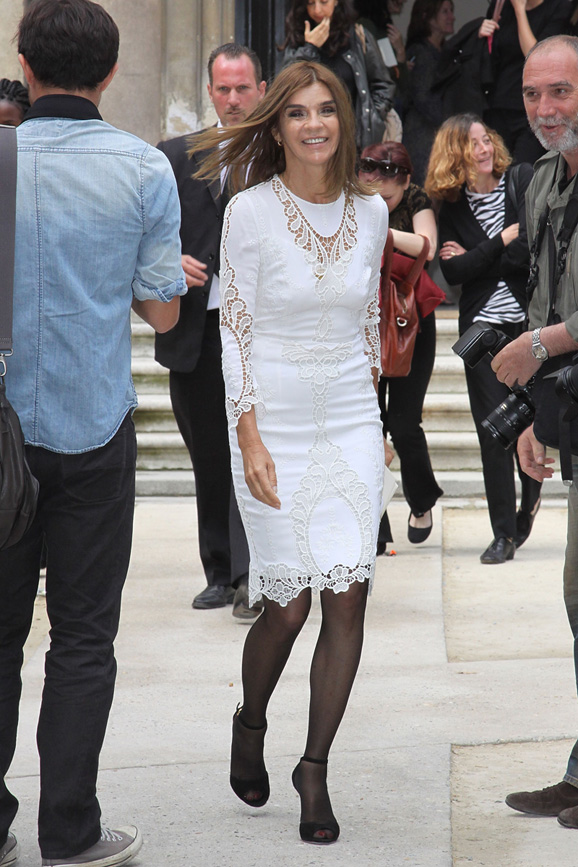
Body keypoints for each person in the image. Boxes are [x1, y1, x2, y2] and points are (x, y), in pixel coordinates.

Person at [0, 1, 186, 865]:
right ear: (109, 74)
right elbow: (161, 309)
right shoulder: (144, 169)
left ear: (25, 67)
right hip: (93, 428)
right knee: (82, 638)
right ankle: (68, 830)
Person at [194, 59, 388, 844]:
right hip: (270, 419)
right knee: (289, 603)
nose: (314, 124)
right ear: (275, 128)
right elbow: (233, 328)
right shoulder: (249, 211)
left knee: (347, 595)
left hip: (348, 417)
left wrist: (376, 424)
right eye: (298, 113)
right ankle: (251, 719)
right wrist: (248, 434)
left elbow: (369, 320)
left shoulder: (371, 213)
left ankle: (314, 768)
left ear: (343, 121)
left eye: (326, 110)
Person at [491, 34, 578, 829]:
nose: (546, 110)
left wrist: (543, 346)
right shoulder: (542, 182)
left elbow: (549, 331)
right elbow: (544, 301)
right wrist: (535, 420)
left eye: (562, 92)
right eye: (533, 95)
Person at [155, 43, 266, 617]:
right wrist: (167, 260)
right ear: (209, 92)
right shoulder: (174, 156)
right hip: (196, 327)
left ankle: (254, 573)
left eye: (242, 88)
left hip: (263, 329)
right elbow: (144, 231)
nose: (231, 99)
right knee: (208, 455)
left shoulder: (283, 154)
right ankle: (219, 572)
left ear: (262, 90)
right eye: (222, 89)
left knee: (256, 449)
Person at [427, 113, 542, 564]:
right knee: (493, 431)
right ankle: (503, 534)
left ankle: (528, 497)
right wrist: (500, 241)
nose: (484, 147)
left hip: (527, 325)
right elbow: (453, 273)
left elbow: (529, 248)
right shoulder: (452, 207)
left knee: (527, 422)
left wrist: (482, 254)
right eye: (472, 143)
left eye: (485, 139)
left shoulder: (520, 181)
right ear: (456, 154)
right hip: (481, 331)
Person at [358, 141, 442, 550]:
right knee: (366, 428)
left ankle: (422, 500)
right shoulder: (349, 200)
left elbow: (426, 245)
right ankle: (375, 526)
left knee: (405, 425)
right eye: (372, 183)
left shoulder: (416, 200)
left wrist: (383, 230)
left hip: (411, 325)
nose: (381, 194)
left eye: (391, 188)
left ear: (406, 181)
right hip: (362, 327)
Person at [281, 0, 395, 150]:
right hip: (313, 136)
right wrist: (310, 48)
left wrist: (371, 118)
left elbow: (383, 84)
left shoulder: (356, 36)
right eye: (310, 3)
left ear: (336, 2)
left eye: (323, 2)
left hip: (352, 142)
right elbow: (286, 87)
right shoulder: (299, 38)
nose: (317, 10)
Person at [479, 0, 571, 166]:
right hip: (498, 105)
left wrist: (520, 11)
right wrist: (480, 34)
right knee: (495, 171)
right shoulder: (501, 6)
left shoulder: (559, 6)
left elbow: (539, 58)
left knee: (523, 170)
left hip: (532, 109)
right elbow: (491, 57)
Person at [402, 0, 455, 185]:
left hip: (438, 135)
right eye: (445, 12)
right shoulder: (420, 52)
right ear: (428, 18)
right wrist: (451, 123)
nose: (452, 17)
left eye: (451, 11)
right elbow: (422, 97)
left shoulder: (447, 50)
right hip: (422, 136)